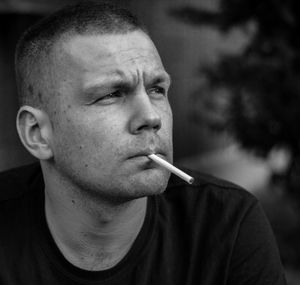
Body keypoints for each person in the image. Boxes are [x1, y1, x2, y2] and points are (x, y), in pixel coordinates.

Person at [0, 1, 286, 284]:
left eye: (157, 89)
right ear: (37, 133)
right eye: (111, 94)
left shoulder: (226, 225)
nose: (151, 116)